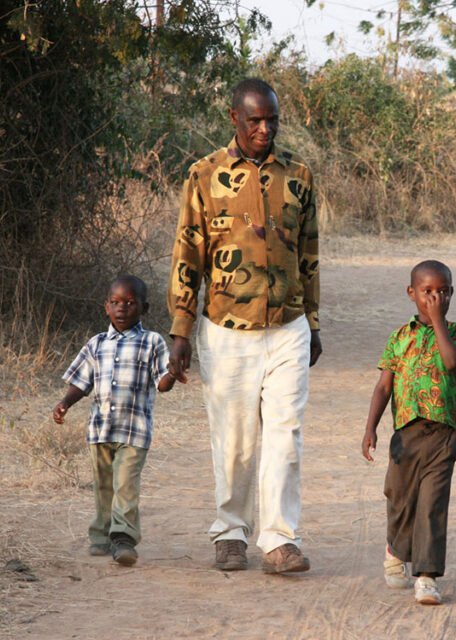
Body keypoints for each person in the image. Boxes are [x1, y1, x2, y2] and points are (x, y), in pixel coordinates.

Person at [166, 78, 321, 574]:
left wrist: (313, 321)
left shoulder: (298, 174)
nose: (264, 129)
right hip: (227, 329)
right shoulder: (204, 175)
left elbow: (310, 253)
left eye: (272, 120)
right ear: (234, 117)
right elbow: (188, 252)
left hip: (288, 327)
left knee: (285, 436)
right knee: (234, 440)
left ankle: (280, 540)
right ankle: (231, 533)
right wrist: (181, 329)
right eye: (254, 120)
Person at [361, 260, 456, 606]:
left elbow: (451, 362)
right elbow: (384, 386)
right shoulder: (399, 337)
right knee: (398, 496)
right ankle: (396, 548)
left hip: (442, 434)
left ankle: (427, 577)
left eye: (443, 291)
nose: (435, 298)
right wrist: (370, 427)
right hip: (405, 435)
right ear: (412, 293)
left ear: (452, 293)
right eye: (427, 292)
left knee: (431, 506)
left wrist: (438, 321)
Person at [53, 275, 180, 566]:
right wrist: (65, 403)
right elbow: (81, 383)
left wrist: (172, 373)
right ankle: (101, 535)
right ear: (106, 307)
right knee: (103, 485)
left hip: (135, 432)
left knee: (125, 484)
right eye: (115, 302)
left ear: (144, 308)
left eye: (130, 303)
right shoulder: (96, 344)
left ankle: (123, 538)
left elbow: (162, 383)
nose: (122, 308)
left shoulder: (151, 342)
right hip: (100, 430)